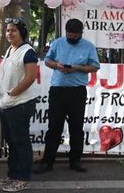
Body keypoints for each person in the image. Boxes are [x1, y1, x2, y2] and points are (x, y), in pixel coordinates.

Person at [35, 18, 100, 174]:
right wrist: (56, 65)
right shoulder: (57, 43)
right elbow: (47, 60)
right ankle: (48, 162)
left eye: (74, 36)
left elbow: (95, 66)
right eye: (69, 35)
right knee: (54, 127)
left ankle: (75, 161)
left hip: (77, 91)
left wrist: (77, 68)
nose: (71, 37)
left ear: (80, 34)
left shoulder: (89, 46)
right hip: (58, 90)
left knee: (76, 128)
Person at [0, 18, 38, 192]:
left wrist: (13, 92)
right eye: (8, 30)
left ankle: (23, 178)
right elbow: (4, 76)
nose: (10, 33)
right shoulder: (10, 50)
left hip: (20, 104)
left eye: (14, 30)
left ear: (22, 33)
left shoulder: (28, 52)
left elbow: (30, 77)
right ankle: (12, 175)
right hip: (6, 104)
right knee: (11, 142)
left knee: (21, 142)